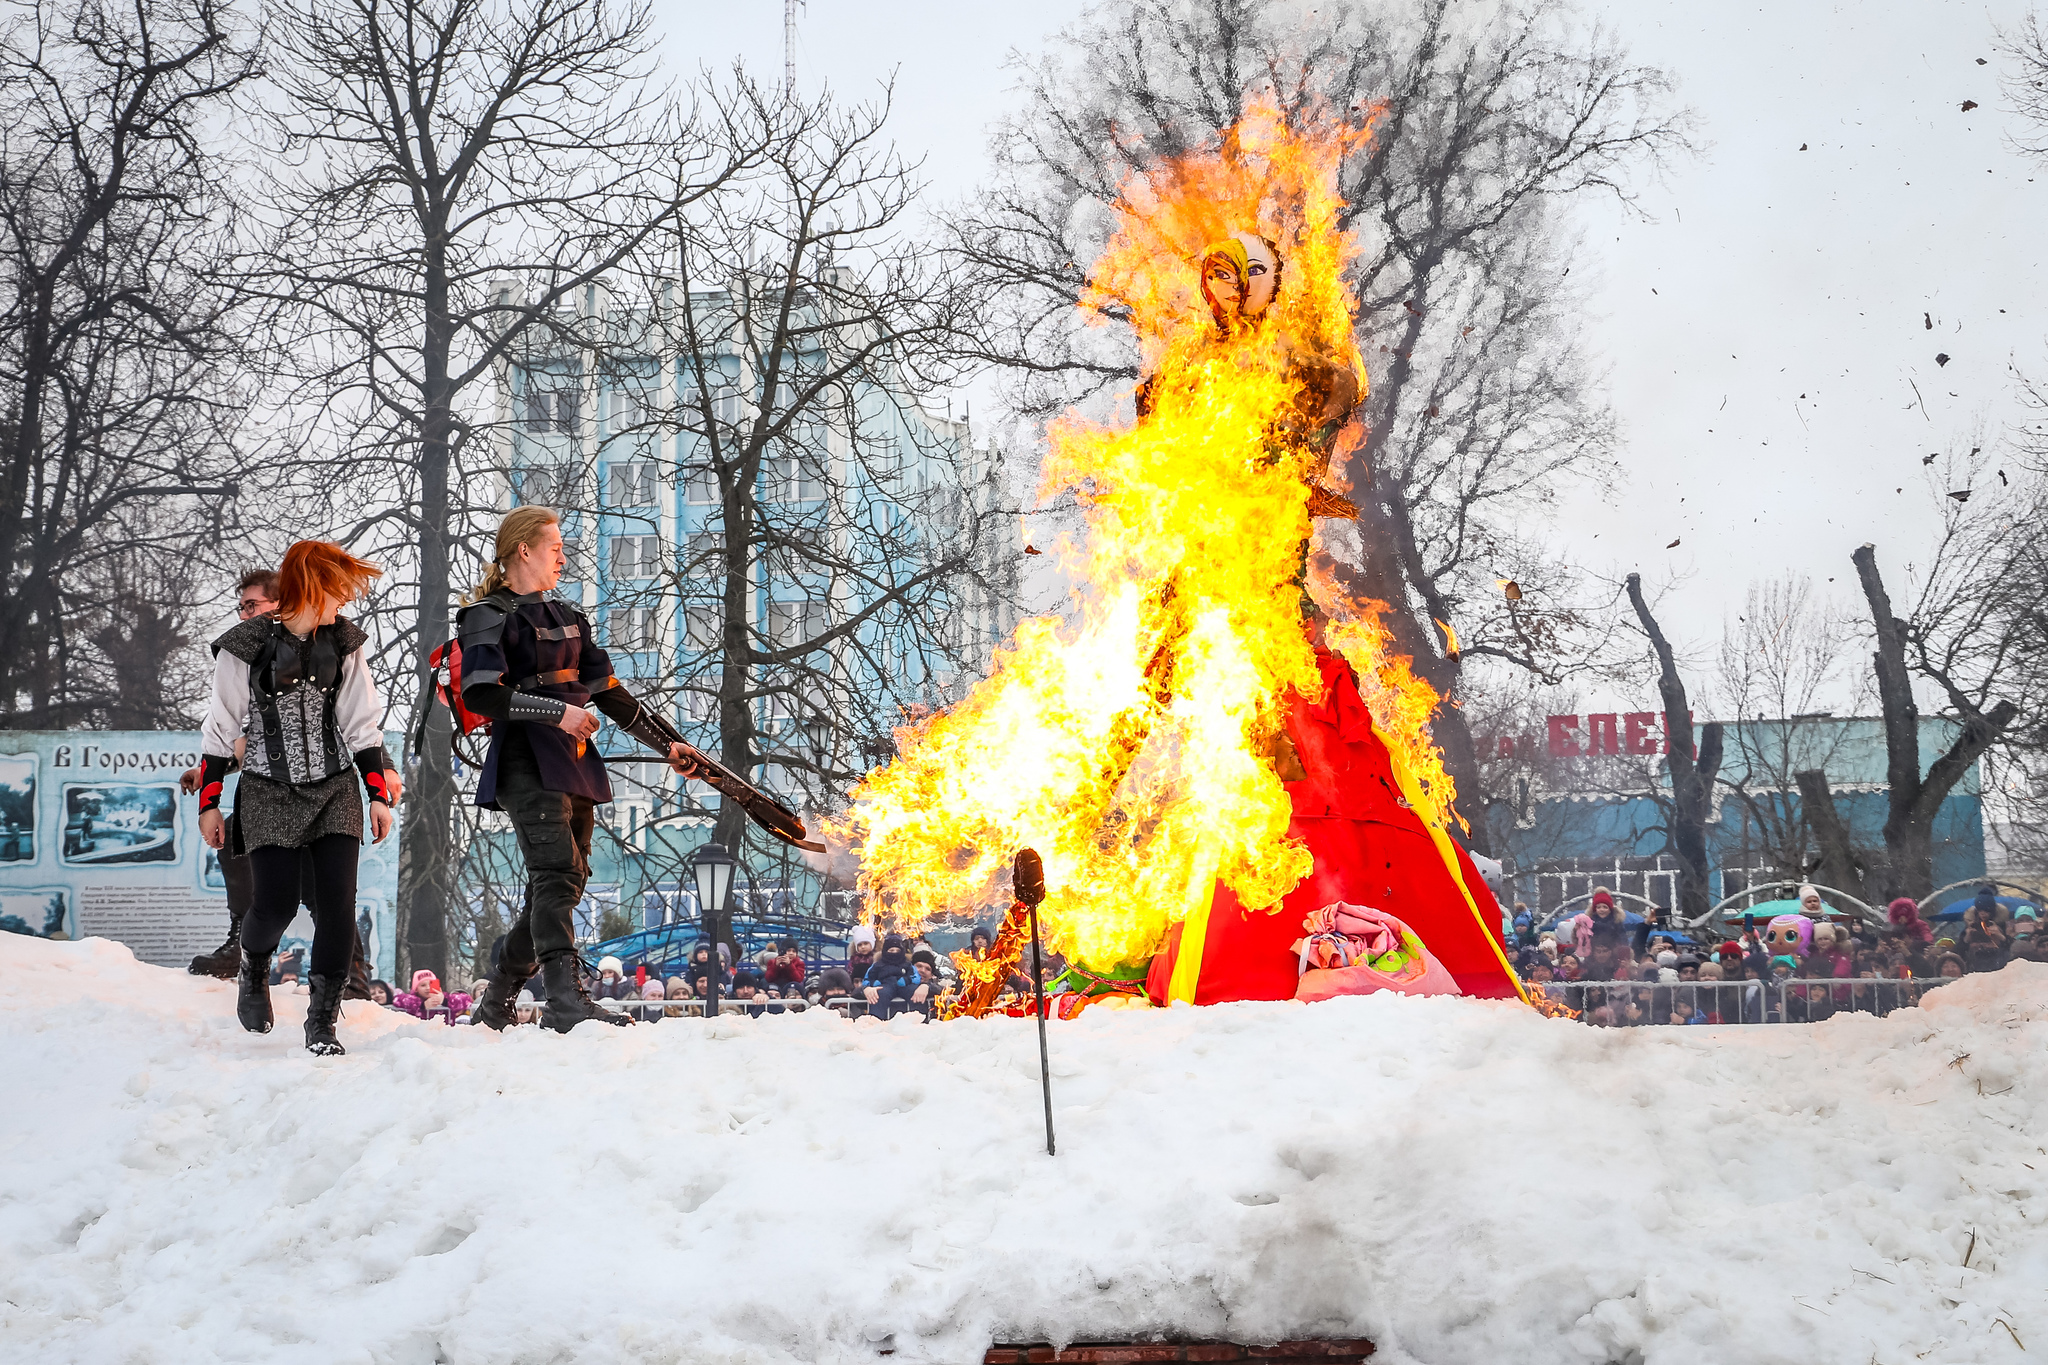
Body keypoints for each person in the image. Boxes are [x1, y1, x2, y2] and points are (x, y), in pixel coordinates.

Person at [457, 507, 696, 1032]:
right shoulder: (486, 614)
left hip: (574, 762)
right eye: (555, 547)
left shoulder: (568, 615)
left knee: (562, 884)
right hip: (524, 762)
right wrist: (557, 712)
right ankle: (566, 1001)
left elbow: (607, 690)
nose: (563, 557)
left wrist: (670, 745)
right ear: (525, 549)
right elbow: (480, 691)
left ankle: (497, 999)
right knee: (558, 876)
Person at [195, 542, 394, 1057]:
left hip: (334, 788)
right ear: (313, 586)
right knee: (276, 904)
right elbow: (220, 730)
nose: (342, 603)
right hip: (266, 786)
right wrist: (210, 804)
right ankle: (254, 967)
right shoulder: (246, 645)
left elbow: (361, 725)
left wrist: (377, 795)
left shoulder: (344, 641)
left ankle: (322, 1021)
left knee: (337, 907)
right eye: (338, 591)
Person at [862, 933, 929, 1020]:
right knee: (878, 995)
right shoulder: (877, 965)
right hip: (884, 986)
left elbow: (915, 977)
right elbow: (868, 978)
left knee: (915, 993)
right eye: (891, 951)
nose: (894, 953)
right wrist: (871, 985)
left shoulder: (907, 965)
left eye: (897, 951)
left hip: (904, 985)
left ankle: (919, 1021)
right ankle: (876, 1021)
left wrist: (907, 980)